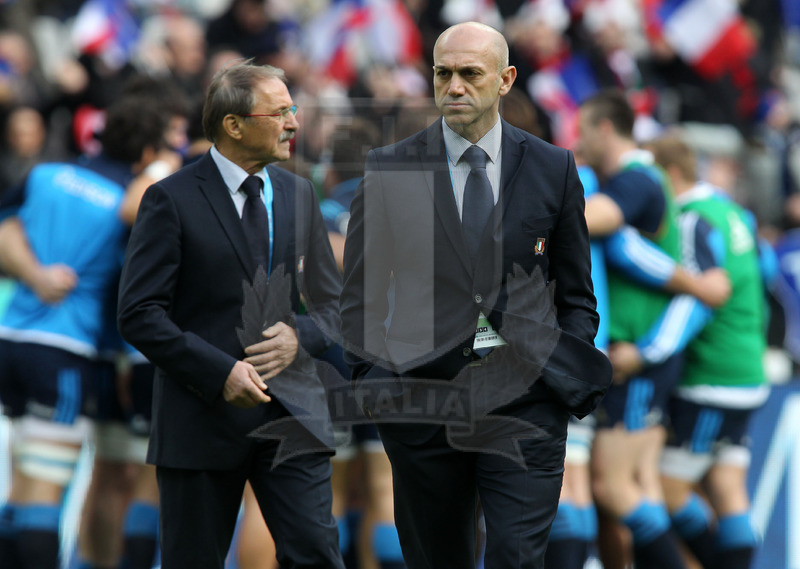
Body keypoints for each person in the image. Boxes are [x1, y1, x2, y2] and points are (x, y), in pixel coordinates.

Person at [340, 22, 611, 569]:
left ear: (506, 79)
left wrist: (556, 370)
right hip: (421, 406)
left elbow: (577, 295)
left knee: (515, 558)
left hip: (527, 405)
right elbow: (359, 298)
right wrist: (377, 389)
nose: (455, 86)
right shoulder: (389, 168)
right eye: (444, 74)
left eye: (470, 73)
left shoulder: (553, 168)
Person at [116, 60, 344, 569]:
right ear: (234, 124)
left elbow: (336, 308)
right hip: (201, 419)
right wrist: (220, 373)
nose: (293, 122)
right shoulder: (168, 199)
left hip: (292, 417)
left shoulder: (300, 193)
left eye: (293, 109)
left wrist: (300, 336)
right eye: (280, 111)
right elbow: (138, 313)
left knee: (317, 555)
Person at [0, 94, 169, 568]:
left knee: (21, 479)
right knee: (45, 488)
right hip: (66, 350)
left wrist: (34, 274)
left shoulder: (45, 174)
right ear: (147, 153)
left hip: (11, 336)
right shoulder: (129, 204)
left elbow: (5, 227)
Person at [639, 135, 769, 569]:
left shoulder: (692, 219)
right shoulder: (731, 212)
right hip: (746, 368)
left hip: (712, 376)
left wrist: (649, 351)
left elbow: (700, 298)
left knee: (664, 488)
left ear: (670, 174)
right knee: (727, 486)